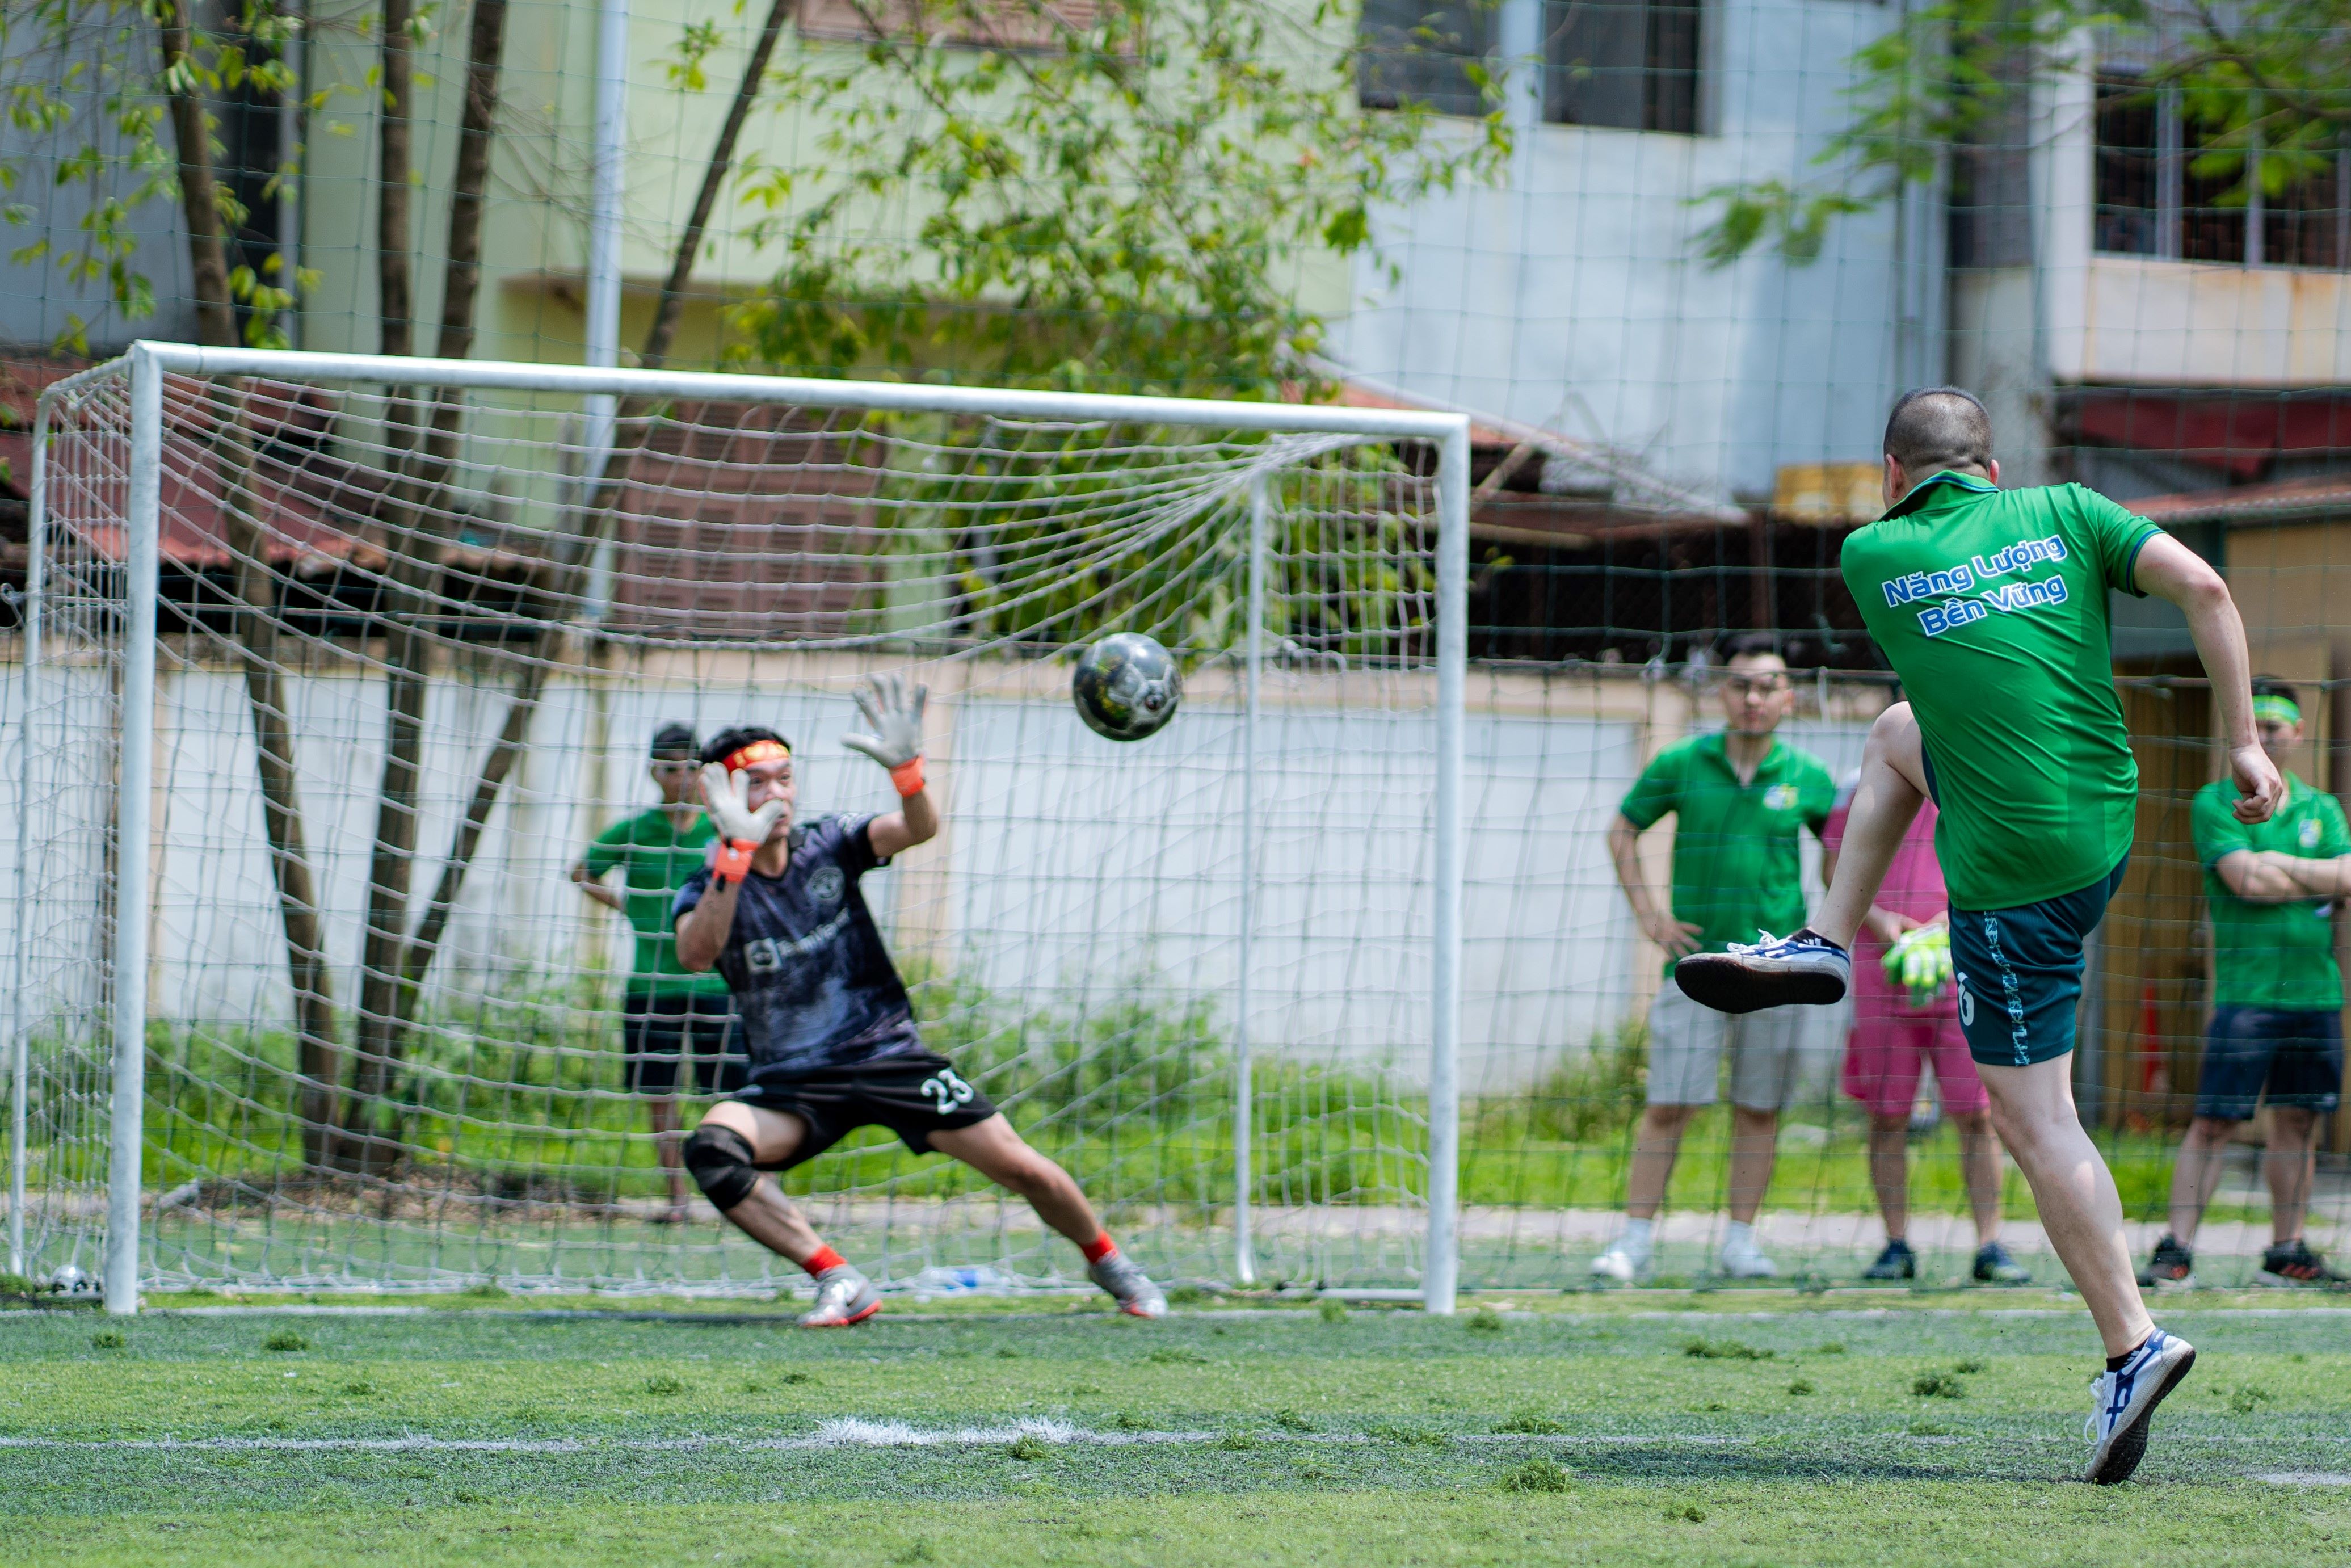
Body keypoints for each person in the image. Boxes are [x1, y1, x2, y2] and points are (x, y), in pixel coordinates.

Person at [1676, 387, 2281, 1485]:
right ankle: (1823, 941)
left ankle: (2131, 1342)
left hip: (2008, 874)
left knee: (2030, 1115)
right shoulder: (2071, 508)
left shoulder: (1871, 553)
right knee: (1893, 732)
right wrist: (2240, 741)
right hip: (2101, 823)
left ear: (1891, 475)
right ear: (1992, 470)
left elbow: (1960, 670)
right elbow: (2204, 584)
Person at [671, 676, 1167, 1327]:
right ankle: (839, 1278)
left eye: (785, 779)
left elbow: (917, 828)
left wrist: (908, 774)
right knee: (712, 1148)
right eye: (756, 784)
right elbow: (696, 954)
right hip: (795, 1084)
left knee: (1024, 1169)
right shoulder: (709, 883)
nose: (776, 795)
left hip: (887, 1056)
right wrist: (734, 855)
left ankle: (1111, 1265)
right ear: (722, 798)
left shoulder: (830, 842)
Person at [1589, 634, 1836, 1284]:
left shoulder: (1809, 777)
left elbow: (1841, 858)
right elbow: (1622, 831)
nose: (1754, 698)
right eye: (1741, 685)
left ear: (1788, 697)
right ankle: (1634, 1242)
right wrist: (1651, 917)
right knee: (1669, 1103)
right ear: (1722, 693)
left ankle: (1740, 1243)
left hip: (1778, 971)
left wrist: (1824, 932)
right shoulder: (1681, 762)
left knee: (1759, 1108)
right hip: (1695, 968)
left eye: (1767, 686)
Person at [2140, 678, 2349, 1289]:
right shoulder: (2214, 802)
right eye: (2252, 727)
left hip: (2314, 993)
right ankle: (2176, 1249)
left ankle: (2286, 1251)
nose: (2263, 737)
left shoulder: (2321, 807)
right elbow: (2247, 883)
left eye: (2274, 727)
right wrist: (2313, 875)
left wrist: (2278, 863)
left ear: (2297, 734)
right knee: (2214, 1122)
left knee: (2298, 1121)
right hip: (2245, 997)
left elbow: (2346, 877)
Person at [1820, 771, 2029, 1285]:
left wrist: (1952, 919)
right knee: (1886, 1115)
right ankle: (1895, 1245)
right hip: (1881, 973)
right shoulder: (1859, 789)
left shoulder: (1970, 779)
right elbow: (1834, 867)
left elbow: (2004, 865)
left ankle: (1990, 1244)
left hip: (1964, 971)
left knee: (1977, 1114)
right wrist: (1878, 920)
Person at [572, 722, 743, 1224]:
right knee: (660, 1095)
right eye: (671, 768)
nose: (681, 777)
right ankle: (677, 1198)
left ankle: (735, 1192)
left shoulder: (721, 828)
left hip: (716, 983)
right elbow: (582, 871)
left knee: (729, 1094)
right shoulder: (634, 830)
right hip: (651, 986)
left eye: (691, 767)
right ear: (654, 772)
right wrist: (628, 906)